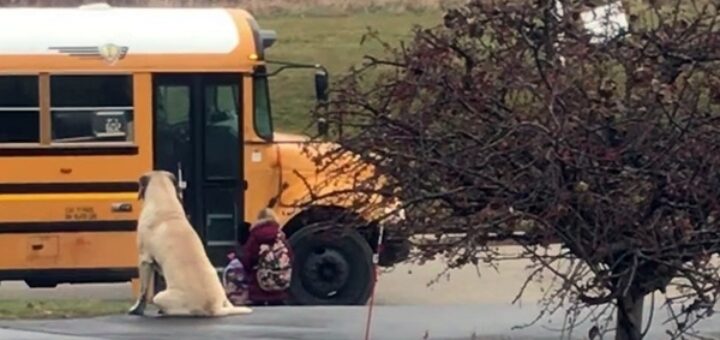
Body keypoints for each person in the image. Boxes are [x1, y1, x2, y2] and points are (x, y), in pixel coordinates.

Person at [241, 208, 293, 306]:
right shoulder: (280, 236)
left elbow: (247, 258)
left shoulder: (254, 236)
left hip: (258, 286)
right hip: (279, 285)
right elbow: (290, 255)